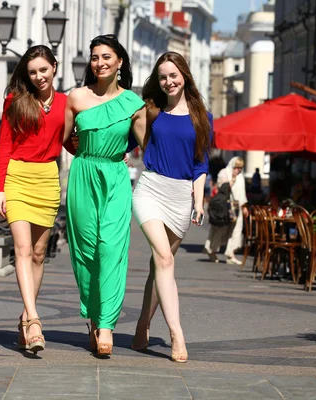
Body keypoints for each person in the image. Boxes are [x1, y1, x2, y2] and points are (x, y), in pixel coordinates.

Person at [64, 34, 145, 357]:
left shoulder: (133, 104)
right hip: (83, 175)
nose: (100, 63)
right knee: (86, 252)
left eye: (106, 57)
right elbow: (63, 138)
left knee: (111, 248)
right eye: (95, 57)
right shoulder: (76, 97)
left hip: (115, 176)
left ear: (120, 62)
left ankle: (107, 325)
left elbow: (149, 147)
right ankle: (94, 317)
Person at [0, 45, 75, 354]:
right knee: (23, 250)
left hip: (47, 180)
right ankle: (35, 320)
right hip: (17, 178)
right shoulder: (15, 101)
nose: (39, 76)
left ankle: (25, 316)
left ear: (54, 67)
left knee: (40, 254)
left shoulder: (67, 103)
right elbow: (4, 145)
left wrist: (104, 156)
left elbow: (70, 142)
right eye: (32, 72)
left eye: (43, 69)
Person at [131, 52, 212, 363]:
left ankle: (142, 324)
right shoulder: (150, 111)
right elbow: (126, 138)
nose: (168, 81)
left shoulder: (202, 117)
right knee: (164, 258)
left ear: (185, 76)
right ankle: (177, 333)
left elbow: (201, 162)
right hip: (150, 188)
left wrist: (199, 199)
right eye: (163, 76)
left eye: (173, 75)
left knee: (158, 268)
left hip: (181, 195)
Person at [220, 157, 248, 264]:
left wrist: (244, 206)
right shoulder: (226, 173)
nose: (238, 170)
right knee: (228, 229)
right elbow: (222, 188)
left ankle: (231, 253)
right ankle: (227, 252)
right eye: (236, 167)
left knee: (236, 229)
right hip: (228, 205)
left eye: (240, 168)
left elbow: (242, 193)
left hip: (238, 206)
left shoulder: (241, 177)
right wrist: (232, 179)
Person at [204, 181, 237, 262]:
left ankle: (208, 247)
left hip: (213, 220)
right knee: (217, 237)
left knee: (212, 234)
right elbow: (229, 211)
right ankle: (212, 251)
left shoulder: (215, 197)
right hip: (222, 222)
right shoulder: (226, 199)